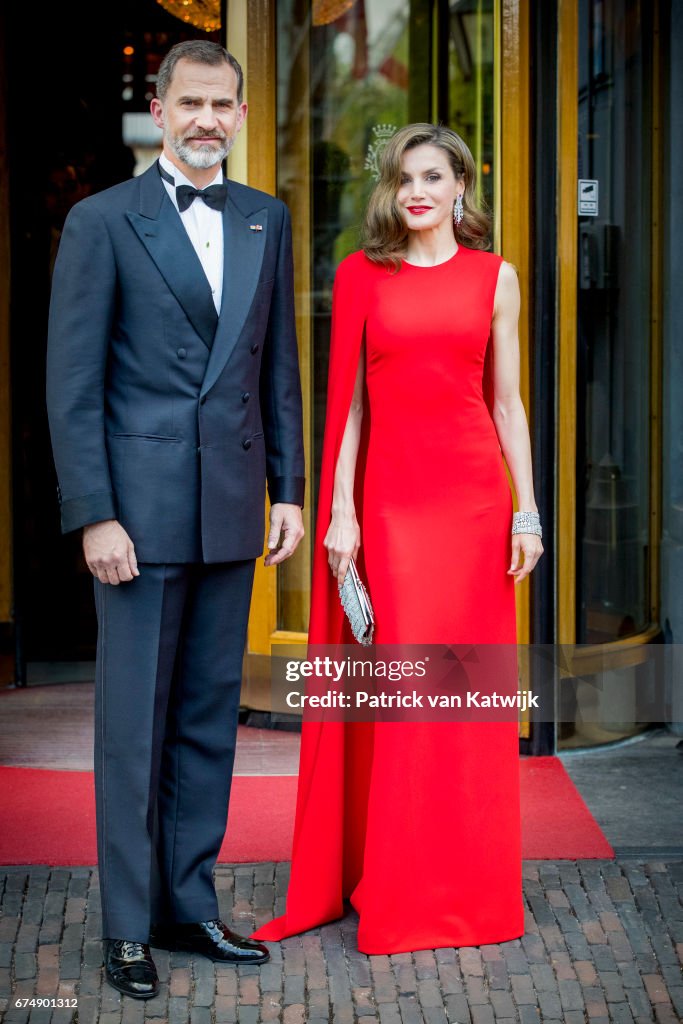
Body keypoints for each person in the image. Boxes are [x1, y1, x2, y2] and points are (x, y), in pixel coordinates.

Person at [46, 40, 305, 998]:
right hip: (137, 522)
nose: (205, 119)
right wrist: (94, 516)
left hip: (232, 511)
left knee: (205, 723)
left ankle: (186, 904)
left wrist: (289, 490)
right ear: (159, 110)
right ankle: (124, 927)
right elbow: (72, 386)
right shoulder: (101, 221)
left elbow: (276, 367)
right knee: (132, 728)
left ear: (239, 116)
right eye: (189, 102)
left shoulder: (263, 220)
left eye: (221, 105)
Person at [252, 123, 543, 954]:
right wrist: (338, 510)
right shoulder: (359, 278)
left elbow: (507, 406)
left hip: (475, 507)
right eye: (404, 177)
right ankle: (397, 886)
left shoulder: (496, 278)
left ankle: (467, 893)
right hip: (391, 509)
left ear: (460, 187)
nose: (417, 190)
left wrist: (527, 511)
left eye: (433, 176)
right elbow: (343, 406)